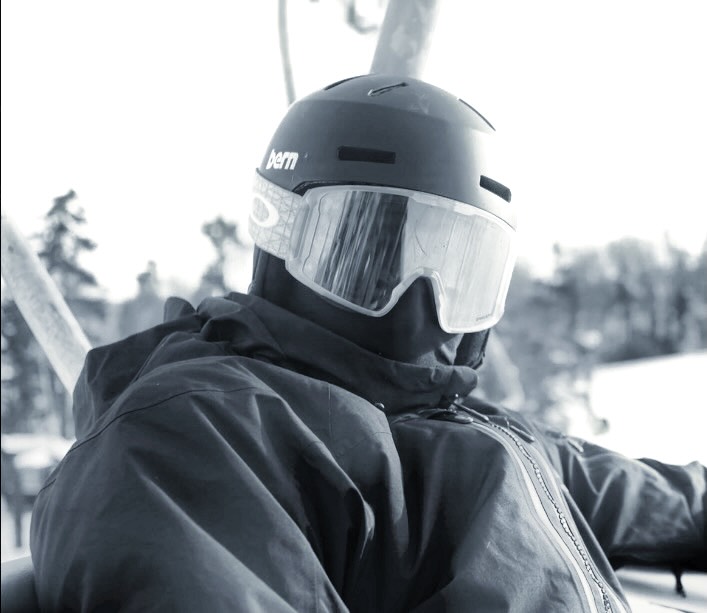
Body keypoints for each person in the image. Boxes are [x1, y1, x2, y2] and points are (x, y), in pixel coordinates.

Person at [30, 75, 705, 612]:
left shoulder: (475, 428)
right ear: (282, 234)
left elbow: (647, 494)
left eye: (460, 269)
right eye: (370, 252)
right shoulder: (195, 431)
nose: (421, 297)